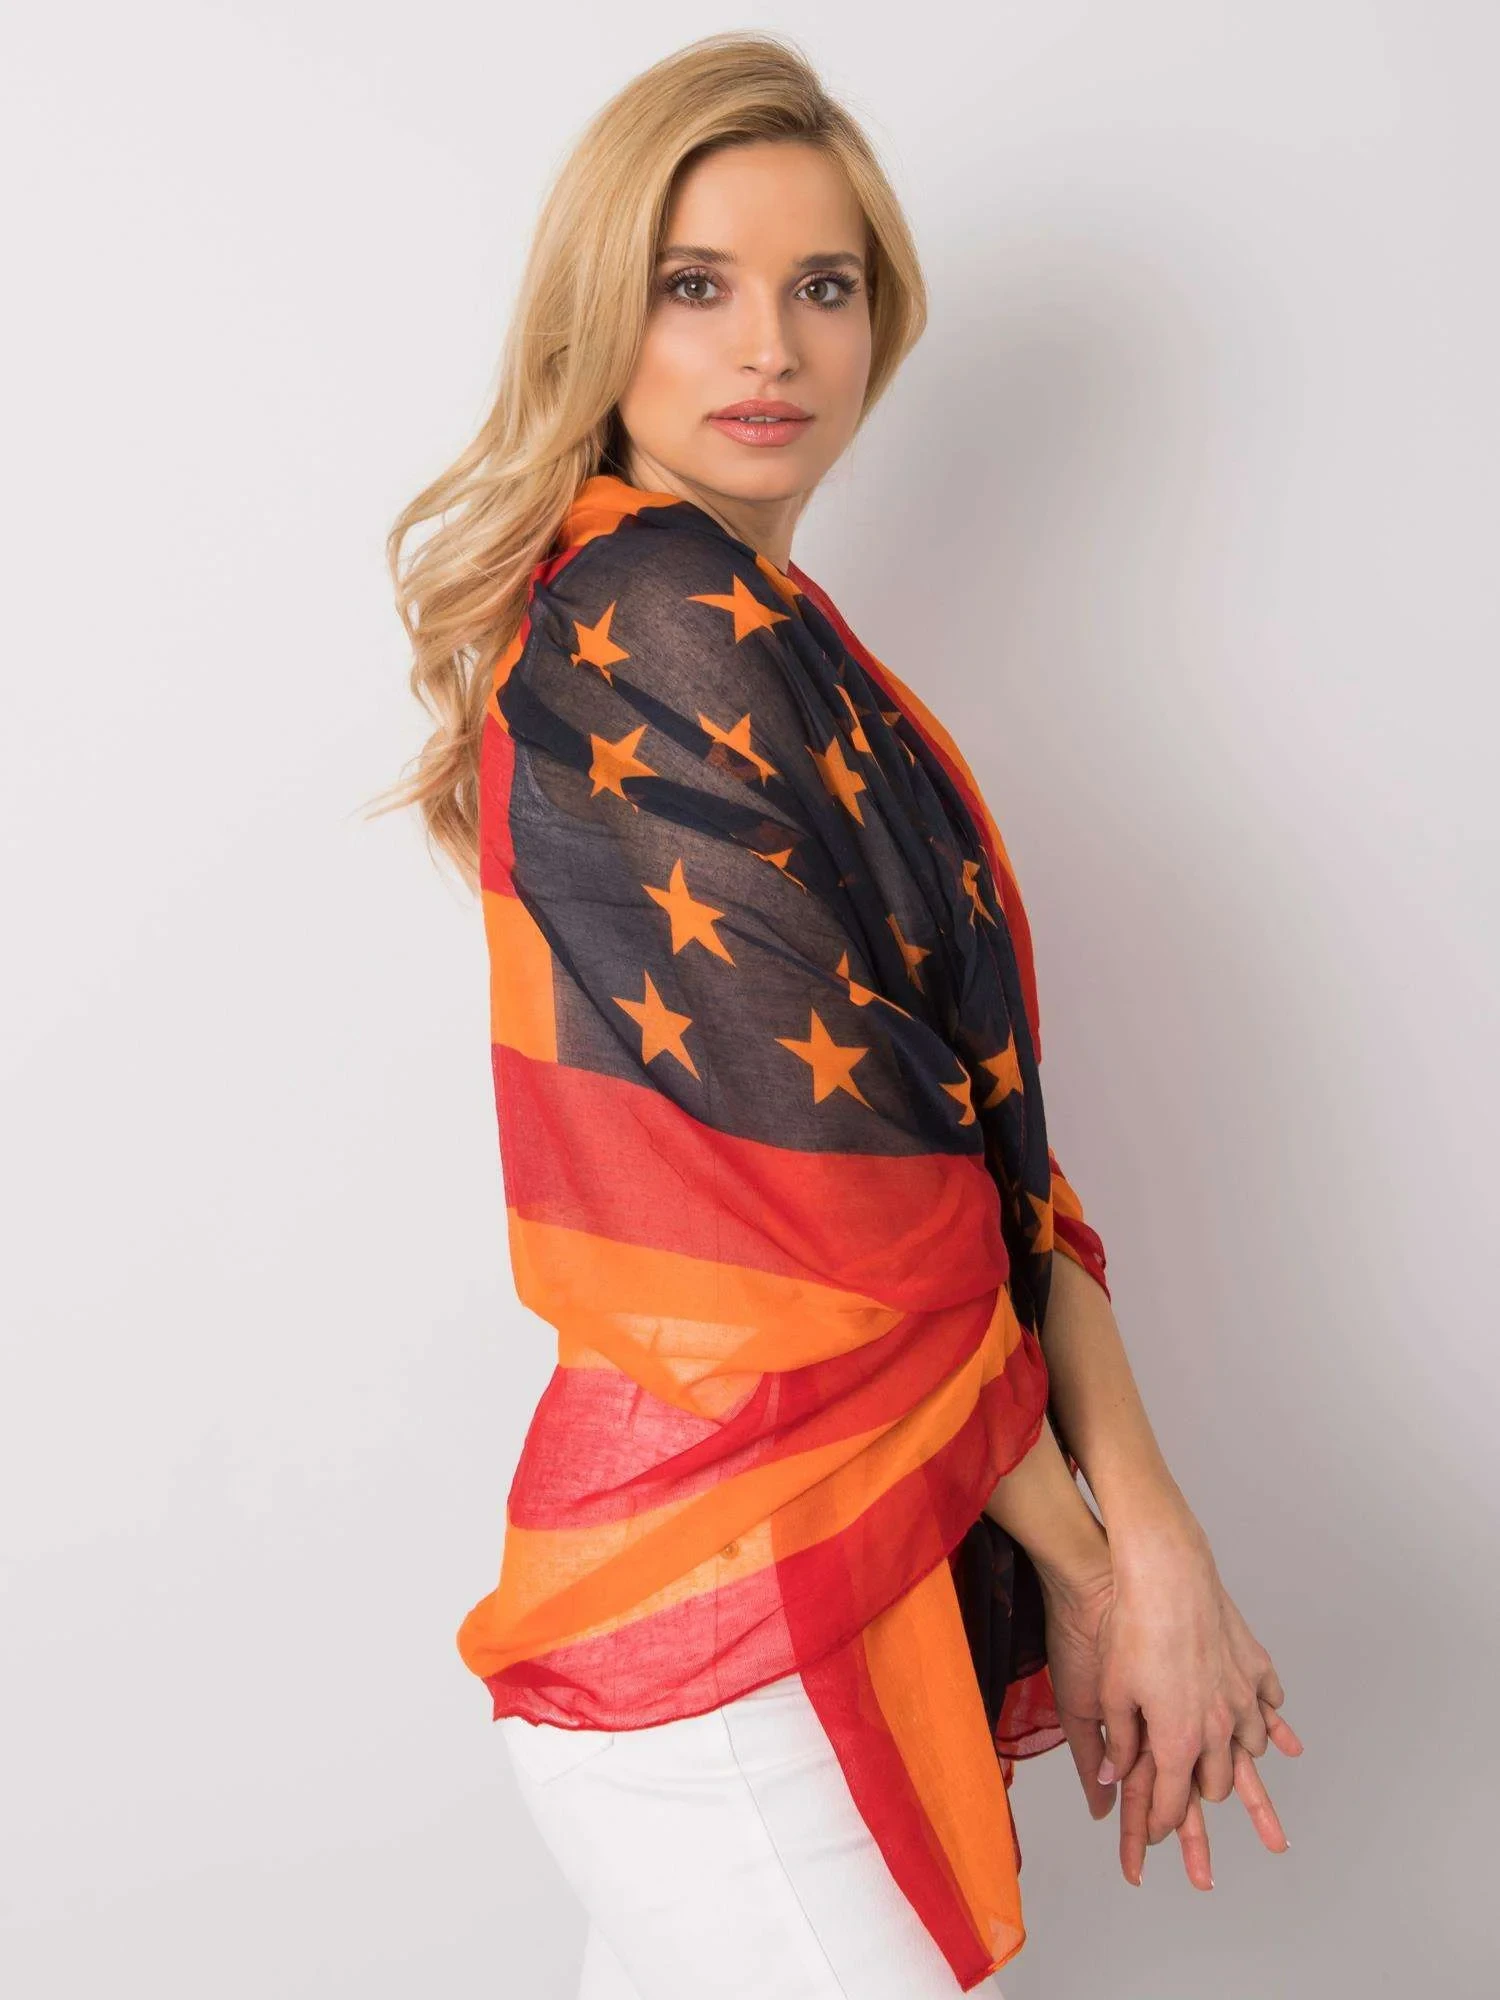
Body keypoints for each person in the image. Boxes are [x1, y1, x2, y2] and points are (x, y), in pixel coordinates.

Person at [377, 30, 1301, 2000]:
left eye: (824, 284)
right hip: (738, 1608)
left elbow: (978, 1155)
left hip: (784, 1581)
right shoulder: (657, 622)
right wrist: (1101, 1567)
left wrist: (1154, 1534)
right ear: (602, 314)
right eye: (694, 284)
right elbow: (863, 1217)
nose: (770, 346)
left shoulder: (778, 638)